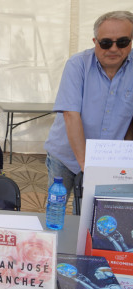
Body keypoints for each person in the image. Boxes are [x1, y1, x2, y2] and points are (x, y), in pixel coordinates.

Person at [44, 11, 133, 204]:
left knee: (94, 218)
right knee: (55, 210)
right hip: (65, 157)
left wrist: (125, 155)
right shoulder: (77, 64)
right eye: (106, 43)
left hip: (108, 162)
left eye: (123, 42)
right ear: (95, 41)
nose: (114, 49)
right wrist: (86, 165)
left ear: (131, 41)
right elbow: (70, 114)